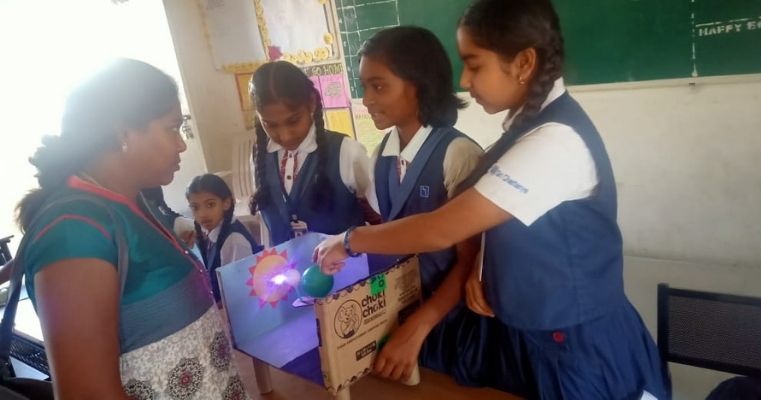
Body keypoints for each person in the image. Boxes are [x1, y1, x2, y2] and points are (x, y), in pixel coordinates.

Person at [314, 0, 671, 398]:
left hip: (581, 348)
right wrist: (484, 268)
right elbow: (505, 217)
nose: (464, 80)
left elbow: (440, 229)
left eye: (474, 65)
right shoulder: (523, 131)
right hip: (537, 337)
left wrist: (350, 240)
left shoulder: (555, 141)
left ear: (523, 63)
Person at [15, 59, 249, 399]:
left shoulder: (132, 201)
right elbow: (88, 394)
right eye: (172, 128)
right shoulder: (75, 229)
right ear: (124, 133)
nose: (182, 144)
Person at [357, 26, 485, 383]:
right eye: (364, 86)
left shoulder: (458, 154)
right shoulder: (381, 156)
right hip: (406, 318)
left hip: (454, 326)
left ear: (419, 85)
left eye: (378, 86)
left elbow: (472, 262)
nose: (366, 100)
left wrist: (419, 325)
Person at [249, 61, 375, 246]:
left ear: (312, 103)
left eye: (293, 121)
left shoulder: (347, 151)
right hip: (285, 263)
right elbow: (267, 225)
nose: (285, 135)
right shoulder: (260, 155)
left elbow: (379, 214)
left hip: (348, 263)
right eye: (270, 125)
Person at [187, 173, 261, 303]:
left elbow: (240, 292)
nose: (202, 214)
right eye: (195, 207)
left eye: (210, 205)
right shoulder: (208, 233)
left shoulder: (234, 240)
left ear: (226, 203)